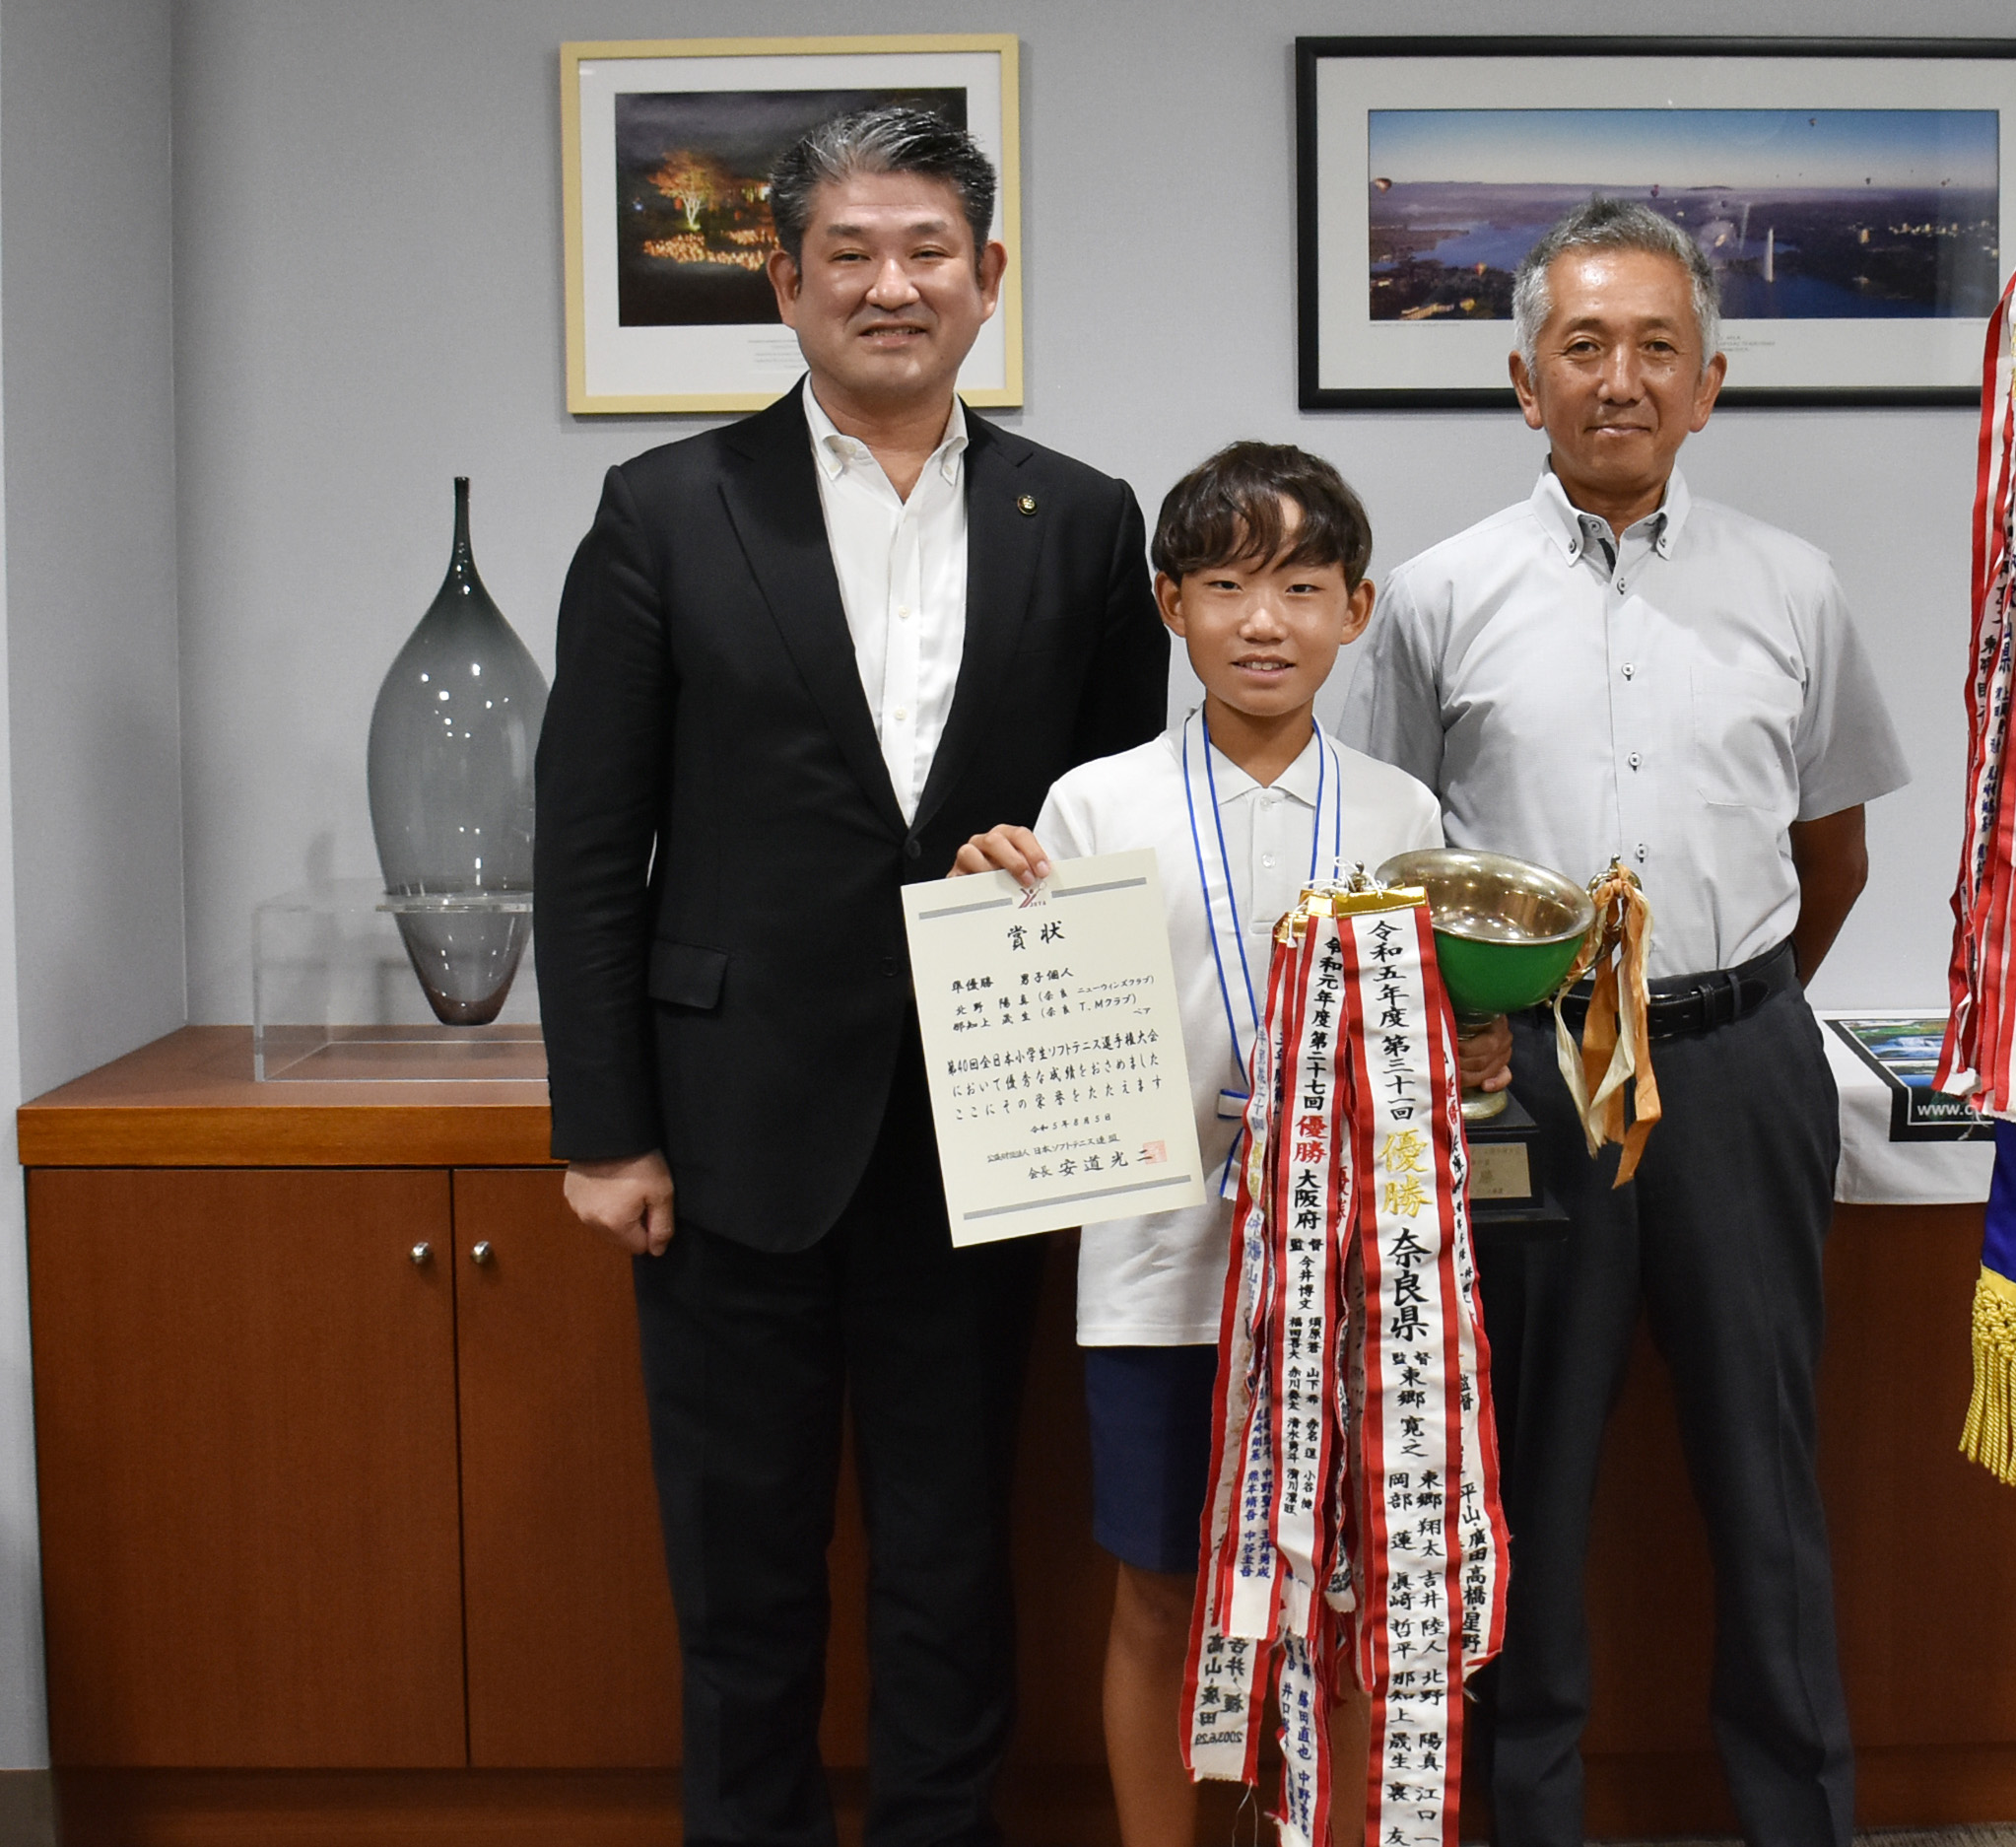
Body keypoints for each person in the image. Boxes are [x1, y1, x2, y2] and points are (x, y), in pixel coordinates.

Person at [535, 105, 1169, 1847]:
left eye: (929, 254)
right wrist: (605, 1128)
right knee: (742, 1582)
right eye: (850, 256)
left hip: (991, 1129)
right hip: (729, 1135)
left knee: (955, 1568)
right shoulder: (667, 510)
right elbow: (590, 843)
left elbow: (1109, 828)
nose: (893, 287)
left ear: (989, 281)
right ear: (786, 280)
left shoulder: (1083, 521)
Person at [1336, 198, 1912, 1847]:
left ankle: (1799, 1821)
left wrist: (1731, 1013)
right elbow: (1395, 852)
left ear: (1710, 381)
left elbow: (1835, 847)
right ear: (1524, 381)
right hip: (1523, 1080)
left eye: (1657, 347)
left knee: (1767, 1480)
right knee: (1522, 1494)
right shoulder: (1437, 597)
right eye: (1583, 347)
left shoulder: (1792, 587)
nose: (1619, 378)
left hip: (1740, 1064)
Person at [948, 443, 1507, 1847]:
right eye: (1229, 585)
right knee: (1160, 1584)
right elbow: (1027, 1015)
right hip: (1157, 1269)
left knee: (1345, 1589)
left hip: (1353, 1287)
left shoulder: (1401, 816)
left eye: (1304, 586)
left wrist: (1478, 1042)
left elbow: (1427, 1045)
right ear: (1170, 605)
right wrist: (983, 905)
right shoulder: (1090, 804)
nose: (1267, 621)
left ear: (1357, 610)